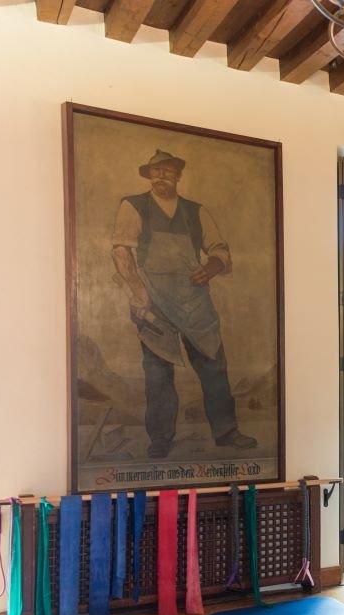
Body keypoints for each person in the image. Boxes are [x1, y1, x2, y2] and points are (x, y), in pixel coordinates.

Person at [111, 149, 257, 458]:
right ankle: (161, 438)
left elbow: (220, 249)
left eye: (167, 170)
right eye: (155, 171)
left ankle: (226, 432)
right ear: (149, 176)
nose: (161, 176)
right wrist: (138, 292)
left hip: (194, 300)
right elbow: (121, 251)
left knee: (214, 365)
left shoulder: (196, 211)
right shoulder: (133, 206)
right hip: (154, 300)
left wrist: (212, 267)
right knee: (157, 373)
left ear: (178, 175)